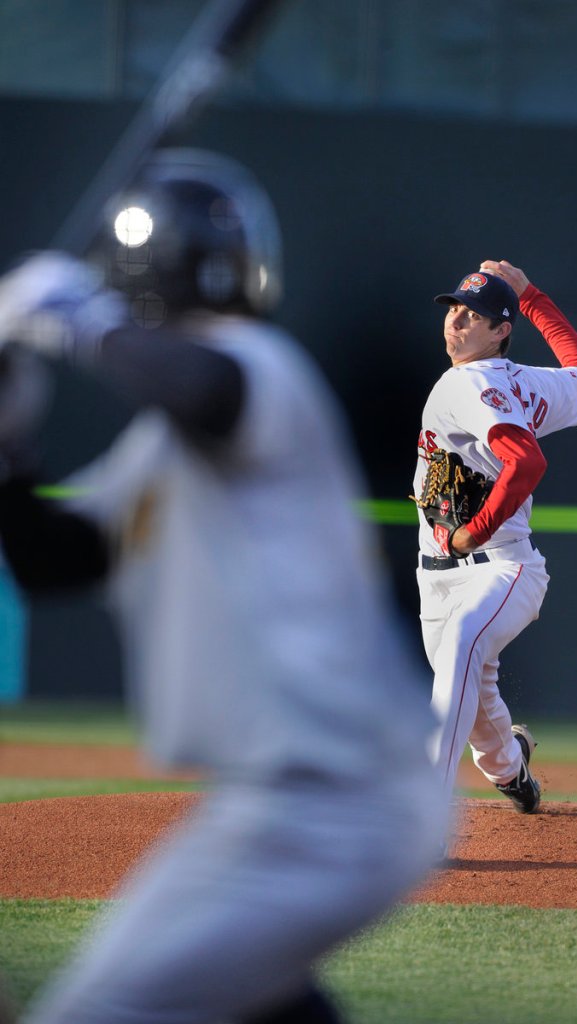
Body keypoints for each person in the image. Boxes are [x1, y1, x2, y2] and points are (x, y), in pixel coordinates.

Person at [0, 149, 447, 1024]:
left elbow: (208, 387)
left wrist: (71, 320)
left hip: (327, 802)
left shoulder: (256, 369)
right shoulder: (159, 452)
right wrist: (9, 455)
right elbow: (57, 561)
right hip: (295, 801)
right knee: (253, 1005)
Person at [412, 259, 577, 845]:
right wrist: (532, 296)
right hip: (439, 576)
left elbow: (528, 462)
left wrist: (476, 529)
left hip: (503, 565)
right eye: (454, 308)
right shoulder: (523, 381)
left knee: (466, 645)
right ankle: (512, 768)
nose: (458, 320)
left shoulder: (467, 383)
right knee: (475, 702)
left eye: (475, 315)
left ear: (500, 330)